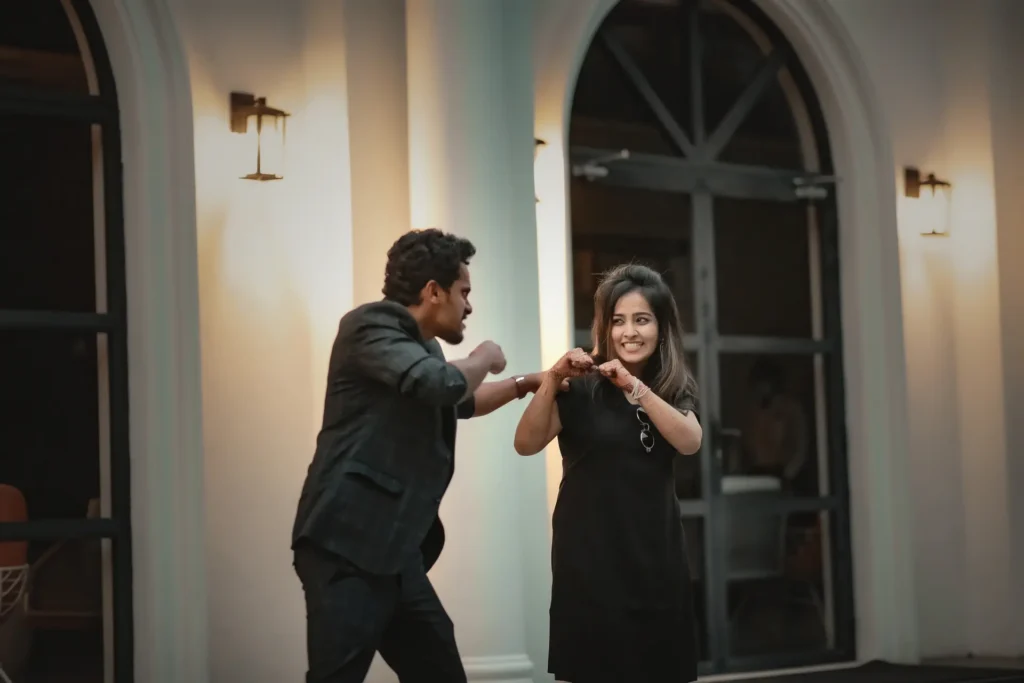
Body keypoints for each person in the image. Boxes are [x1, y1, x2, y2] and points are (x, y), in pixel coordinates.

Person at [292, 228, 551, 683]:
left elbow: (463, 400)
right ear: (434, 292)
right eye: (464, 292)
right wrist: (485, 356)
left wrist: (532, 383)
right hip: (346, 546)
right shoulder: (369, 326)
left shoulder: (423, 351)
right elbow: (445, 385)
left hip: (395, 554)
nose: (469, 306)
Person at [513, 263, 703, 683]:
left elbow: (690, 441)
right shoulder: (580, 386)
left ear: (661, 328)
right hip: (589, 563)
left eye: (642, 320)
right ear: (604, 327)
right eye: (618, 321)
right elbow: (525, 444)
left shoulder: (671, 386)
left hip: (654, 557)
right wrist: (553, 379)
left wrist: (636, 388)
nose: (629, 332)